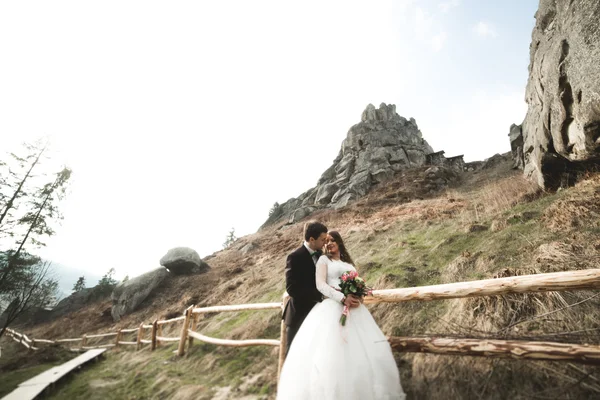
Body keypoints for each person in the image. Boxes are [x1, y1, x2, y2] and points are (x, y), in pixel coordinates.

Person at [277, 231, 406, 400]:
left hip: (355, 311)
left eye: (332, 240)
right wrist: (342, 297)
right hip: (331, 308)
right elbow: (321, 285)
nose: (329, 243)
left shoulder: (348, 264)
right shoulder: (324, 261)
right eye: (326, 241)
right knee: (332, 352)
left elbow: (358, 284)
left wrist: (357, 297)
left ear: (339, 242)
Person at [283, 221, 359, 356]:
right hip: (299, 314)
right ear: (312, 239)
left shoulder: (321, 255)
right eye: (323, 239)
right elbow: (292, 288)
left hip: (318, 313)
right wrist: (320, 296)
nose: (325, 243)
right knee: (294, 354)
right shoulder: (294, 257)